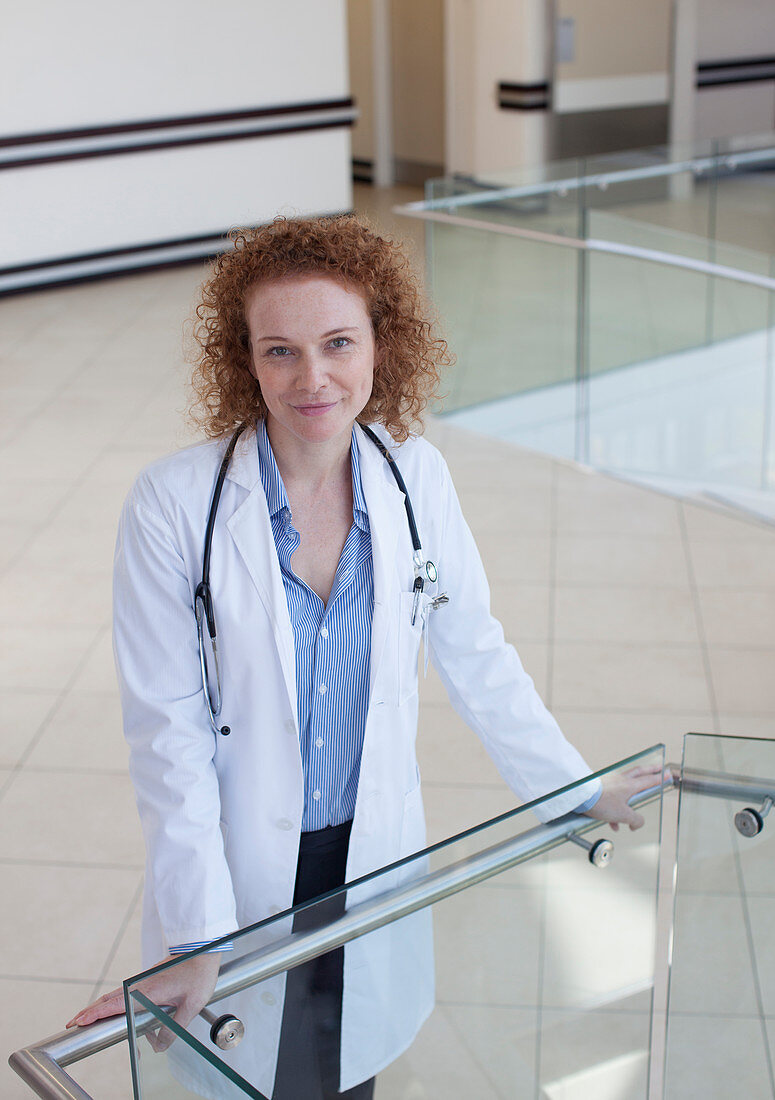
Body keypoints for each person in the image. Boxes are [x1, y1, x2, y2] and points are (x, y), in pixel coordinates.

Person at [66, 215, 659, 1098]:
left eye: (339, 342)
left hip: (370, 856)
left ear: (383, 342)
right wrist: (197, 936)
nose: (313, 378)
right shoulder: (172, 507)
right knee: (248, 1075)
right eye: (280, 351)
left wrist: (572, 790)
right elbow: (167, 734)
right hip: (236, 868)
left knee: (346, 1075)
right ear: (246, 359)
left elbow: (476, 654)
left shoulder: (415, 478)